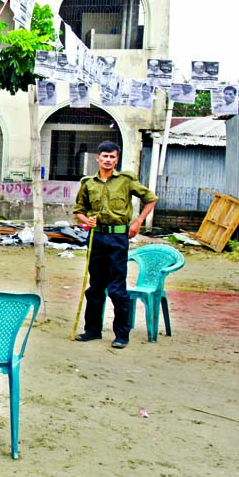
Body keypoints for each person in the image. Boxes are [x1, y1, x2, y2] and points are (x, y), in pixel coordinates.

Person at [73, 141, 157, 349]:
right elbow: (78, 211)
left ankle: (122, 334)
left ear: (117, 159)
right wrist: (85, 220)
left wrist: (138, 222)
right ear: (98, 158)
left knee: (117, 288)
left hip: (118, 239)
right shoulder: (88, 183)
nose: (108, 160)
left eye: (112, 157)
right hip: (96, 238)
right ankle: (92, 330)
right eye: (105, 156)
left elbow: (151, 199)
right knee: (95, 288)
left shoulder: (126, 181)